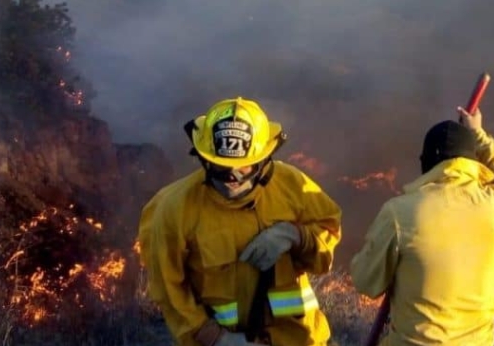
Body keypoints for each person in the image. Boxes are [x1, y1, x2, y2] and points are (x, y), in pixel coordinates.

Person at [138, 97, 343, 346]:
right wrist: (215, 338)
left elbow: (328, 233)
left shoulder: (292, 186)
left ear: (262, 160)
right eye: (221, 167)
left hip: (300, 339)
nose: (232, 176)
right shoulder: (173, 209)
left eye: (243, 167)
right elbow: (167, 288)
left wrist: (295, 235)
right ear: (204, 159)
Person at [350, 106, 494, 345]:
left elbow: (365, 281)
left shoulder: (399, 213)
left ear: (428, 162)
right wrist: (479, 135)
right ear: (473, 162)